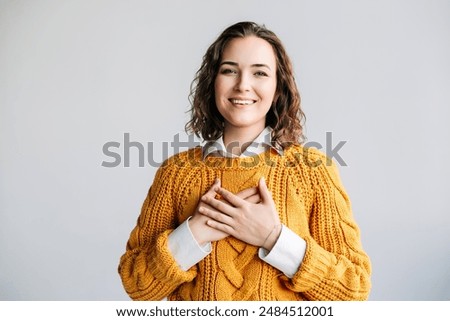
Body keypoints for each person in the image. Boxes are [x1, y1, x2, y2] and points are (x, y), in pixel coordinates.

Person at [118, 21, 371, 301]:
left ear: (278, 87)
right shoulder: (176, 172)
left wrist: (273, 238)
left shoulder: (313, 169)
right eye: (229, 70)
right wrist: (194, 232)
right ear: (213, 81)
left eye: (260, 73)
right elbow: (137, 285)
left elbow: (354, 289)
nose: (243, 85)